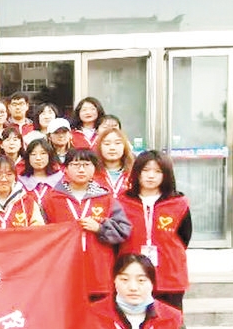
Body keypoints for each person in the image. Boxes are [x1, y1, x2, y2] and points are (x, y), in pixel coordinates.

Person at [42, 149, 132, 300]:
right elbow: (42, 234)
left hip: (98, 272)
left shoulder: (106, 198)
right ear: (65, 169)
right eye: (76, 165)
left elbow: (124, 229)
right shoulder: (51, 199)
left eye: (86, 164)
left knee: (98, 312)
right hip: (64, 272)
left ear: (94, 168)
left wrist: (100, 228)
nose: (81, 169)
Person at [118, 151, 192, 310]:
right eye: (145, 170)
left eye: (158, 171)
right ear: (137, 172)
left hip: (169, 273)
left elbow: (184, 237)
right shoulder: (122, 202)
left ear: (166, 175)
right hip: (133, 274)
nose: (151, 176)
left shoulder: (178, 203)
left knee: (170, 319)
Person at [18, 138, 63, 207]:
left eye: (43, 153)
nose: (38, 158)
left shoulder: (61, 180)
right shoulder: (20, 182)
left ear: (49, 156)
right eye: (33, 154)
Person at [94, 127, 134, 199]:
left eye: (117, 143)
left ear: (124, 146)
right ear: (99, 147)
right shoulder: (91, 174)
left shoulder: (134, 173)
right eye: (107, 144)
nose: (112, 148)